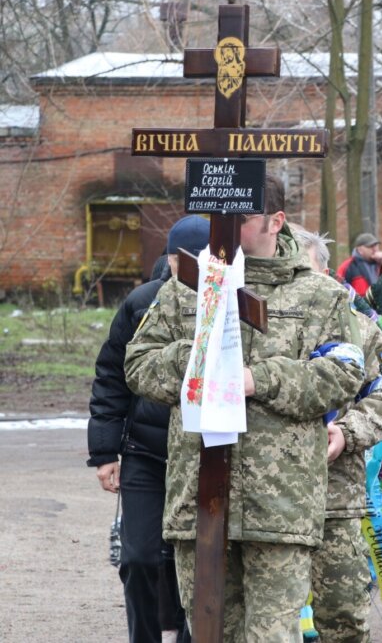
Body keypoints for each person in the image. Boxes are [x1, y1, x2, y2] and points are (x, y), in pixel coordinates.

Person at [123, 177, 365, 640]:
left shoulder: (321, 295)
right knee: (213, 634)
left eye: (241, 217)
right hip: (199, 500)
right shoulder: (186, 287)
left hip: (280, 504)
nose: (226, 228)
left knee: (270, 637)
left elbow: (343, 375)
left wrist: (261, 379)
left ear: (276, 222)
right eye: (220, 217)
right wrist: (199, 359)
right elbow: (137, 366)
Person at [88, 216, 208, 643]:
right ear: (169, 259)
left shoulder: (226, 304)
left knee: (196, 563)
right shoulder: (143, 303)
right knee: (138, 557)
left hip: (203, 456)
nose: (186, 270)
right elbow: (111, 376)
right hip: (146, 452)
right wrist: (104, 452)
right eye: (180, 260)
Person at [294, 228, 382, 642]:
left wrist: (347, 432)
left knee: (342, 618)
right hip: (264, 503)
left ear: (326, 273)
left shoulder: (358, 327)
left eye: (304, 270)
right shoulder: (251, 324)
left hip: (335, 497)